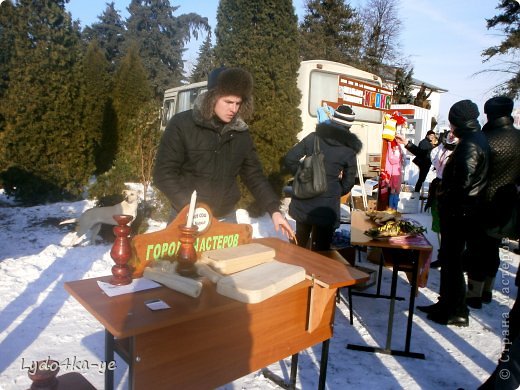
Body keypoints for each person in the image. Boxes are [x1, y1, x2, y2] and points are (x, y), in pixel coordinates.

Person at [153, 66, 293, 238]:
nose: (233, 109)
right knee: (178, 265)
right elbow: (163, 173)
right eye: (228, 102)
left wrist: (274, 210)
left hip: (225, 219)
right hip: (186, 217)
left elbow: (254, 175)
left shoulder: (241, 133)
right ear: (212, 98)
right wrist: (191, 208)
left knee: (227, 265)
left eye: (238, 103)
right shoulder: (182, 124)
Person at [419, 99, 490, 327]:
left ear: (458, 121)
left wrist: (443, 194)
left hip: (460, 214)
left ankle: (456, 310)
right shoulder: (473, 139)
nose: (450, 127)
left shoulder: (470, 144)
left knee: (453, 263)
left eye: (451, 122)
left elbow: (462, 184)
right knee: (450, 261)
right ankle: (445, 303)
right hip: (463, 212)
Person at [465, 96, 520, 309]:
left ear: (489, 114)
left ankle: (474, 294)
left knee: (477, 250)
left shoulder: (484, 138)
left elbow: (472, 174)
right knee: (493, 248)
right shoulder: (518, 138)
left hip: (481, 204)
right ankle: (488, 289)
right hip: (507, 206)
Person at [284, 105, 362, 250]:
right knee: (322, 253)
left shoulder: (314, 138)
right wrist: (337, 190)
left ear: (333, 119)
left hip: (304, 199)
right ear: (349, 126)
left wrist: (303, 176)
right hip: (326, 206)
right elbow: (349, 180)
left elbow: (290, 158)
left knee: (298, 244)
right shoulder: (349, 149)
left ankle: (294, 270)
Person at [395, 128, 458, 268]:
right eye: (451, 129)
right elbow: (424, 154)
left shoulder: (465, 147)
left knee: (453, 229)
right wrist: (407, 143)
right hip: (439, 189)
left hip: (454, 192)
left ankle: (453, 259)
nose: (452, 133)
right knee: (440, 225)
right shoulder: (442, 147)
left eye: (455, 129)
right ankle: (443, 255)